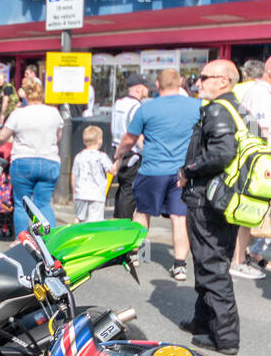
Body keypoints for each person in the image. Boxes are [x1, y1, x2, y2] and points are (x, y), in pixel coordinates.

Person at [177, 60, 244, 355]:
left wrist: (187, 170)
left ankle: (226, 338)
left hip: (208, 198)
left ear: (224, 82)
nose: (198, 81)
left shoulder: (218, 109)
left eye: (205, 77)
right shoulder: (236, 108)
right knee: (209, 263)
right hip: (223, 198)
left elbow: (221, 152)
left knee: (213, 268)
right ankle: (204, 324)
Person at [111, 68, 198, 280]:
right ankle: (179, 266)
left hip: (152, 170)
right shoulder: (196, 106)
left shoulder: (147, 108)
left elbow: (129, 139)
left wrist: (118, 154)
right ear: (180, 84)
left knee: (142, 213)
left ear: (157, 85)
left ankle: (135, 255)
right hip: (181, 172)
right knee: (179, 218)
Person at [232, 54, 271, 279]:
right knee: (246, 215)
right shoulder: (259, 94)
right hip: (258, 167)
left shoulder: (266, 94)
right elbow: (259, 134)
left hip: (262, 167)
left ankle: (240, 257)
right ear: (270, 72)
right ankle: (237, 261)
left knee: (250, 215)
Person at [0, 78, 64, 233]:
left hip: (23, 161)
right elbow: (58, 137)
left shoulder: (18, 114)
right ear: (42, 94)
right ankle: (49, 241)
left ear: (26, 95)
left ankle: (22, 243)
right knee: (43, 204)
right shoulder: (54, 113)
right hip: (49, 162)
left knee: (21, 205)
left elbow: (2, 137)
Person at [109, 73, 148, 220]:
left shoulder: (118, 103)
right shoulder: (137, 107)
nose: (148, 91)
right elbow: (135, 134)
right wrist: (146, 152)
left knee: (122, 187)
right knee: (129, 190)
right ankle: (124, 223)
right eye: (145, 87)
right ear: (138, 89)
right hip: (132, 153)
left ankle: (118, 219)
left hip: (118, 150)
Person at [71, 125, 112, 224]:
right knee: (94, 223)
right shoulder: (102, 157)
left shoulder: (79, 156)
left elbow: (73, 175)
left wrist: (74, 193)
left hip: (80, 194)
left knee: (80, 219)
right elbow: (112, 170)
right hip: (96, 195)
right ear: (100, 140)